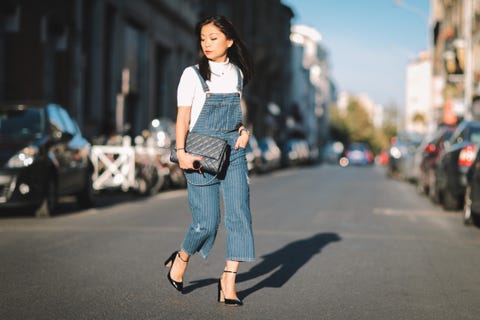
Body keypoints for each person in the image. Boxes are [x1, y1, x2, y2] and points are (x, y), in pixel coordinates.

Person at [164, 15, 255, 307]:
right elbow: (183, 117)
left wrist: (244, 132)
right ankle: (182, 256)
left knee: (239, 214)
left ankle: (228, 279)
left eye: (213, 38)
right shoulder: (192, 74)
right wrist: (181, 153)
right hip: (199, 152)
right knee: (206, 223)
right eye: (203, 38)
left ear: (229, 40)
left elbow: (239, 115)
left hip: (234, 152)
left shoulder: (238, 73)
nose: (207, 43)